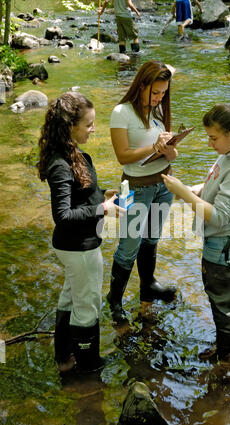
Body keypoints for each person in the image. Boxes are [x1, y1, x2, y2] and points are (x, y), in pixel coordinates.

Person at [162, 103, 230, 361]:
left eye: (213, 138)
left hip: (224, 245)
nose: (210, 143)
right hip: (229, 243)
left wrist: (184, 194)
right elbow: (217, 185)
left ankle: (227, 358)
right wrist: (198, 189)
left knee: (223, 303)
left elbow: (220, 217)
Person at [37, 91, 124, 374]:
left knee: (70, 298)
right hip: (79, 247)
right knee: (87, 307)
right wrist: (103, 209)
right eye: (88, 124)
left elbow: (80, 194)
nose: (93, 128)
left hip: (74, 246)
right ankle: (88, 367)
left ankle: (64, 359)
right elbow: (62, 215)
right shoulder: (60, 164)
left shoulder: (70, 152)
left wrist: (105, 195)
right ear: (69, 126)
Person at [108, 60, 178, 323]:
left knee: (151, 239)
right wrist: (154, 148)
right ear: (141, 85)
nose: (159, 98)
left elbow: (170, 151)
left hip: (163, 184)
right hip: (135, 187)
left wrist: (171, 150)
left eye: (163, 93)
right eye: (155, 92)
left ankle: (148, 287)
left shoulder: (158, 111)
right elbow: (122, 156)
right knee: (128, 246)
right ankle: (114, 299)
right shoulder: (121, 112)